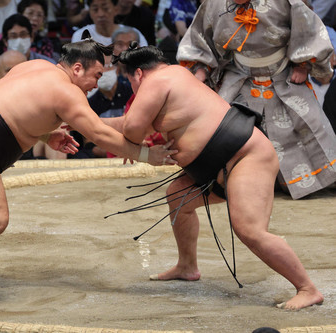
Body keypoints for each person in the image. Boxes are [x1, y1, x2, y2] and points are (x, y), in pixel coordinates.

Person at [0, 38, 177, 313]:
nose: (97, 83)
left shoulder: (36, 66)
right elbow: (98, 132)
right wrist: (146, 156)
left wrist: (47, 134)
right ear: (77, 69)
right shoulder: (66, 92)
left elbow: (7, 108)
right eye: (97, 75)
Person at [107, 44, 325, 310]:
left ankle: (307, 288)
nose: (133, 89)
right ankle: (187, 266)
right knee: (178, 197)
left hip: (245, 156)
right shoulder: (174, 78)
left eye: (129, 81)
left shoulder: (158, 79)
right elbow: (129, 124)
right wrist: (80, 121)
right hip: (215, 165)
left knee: (249, 230)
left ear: (138, 74)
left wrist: (132, 146)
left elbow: (131, 129)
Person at [176, 0, 336, 199]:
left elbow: (307, 28)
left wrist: (302, 64)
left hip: (281, 73)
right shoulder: (214, 4)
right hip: (239, 76)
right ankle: (232, 179)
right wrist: (200, 67)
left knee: (306, 121)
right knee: (220, 126)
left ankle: (304, 180)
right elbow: (200, 36)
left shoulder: (284, 2)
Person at [0, 14, 56, 81]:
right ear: (5, 41)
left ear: (31, 37)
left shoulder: (48, 65)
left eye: (23, 34)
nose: (19, 40)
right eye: (13, 36)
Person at [70, 0, 148, 46]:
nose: (100, 14)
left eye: (106, 9)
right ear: (89, 12)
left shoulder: (133, 34)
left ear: (116, 10)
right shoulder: (80, 36)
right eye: (95, 9)